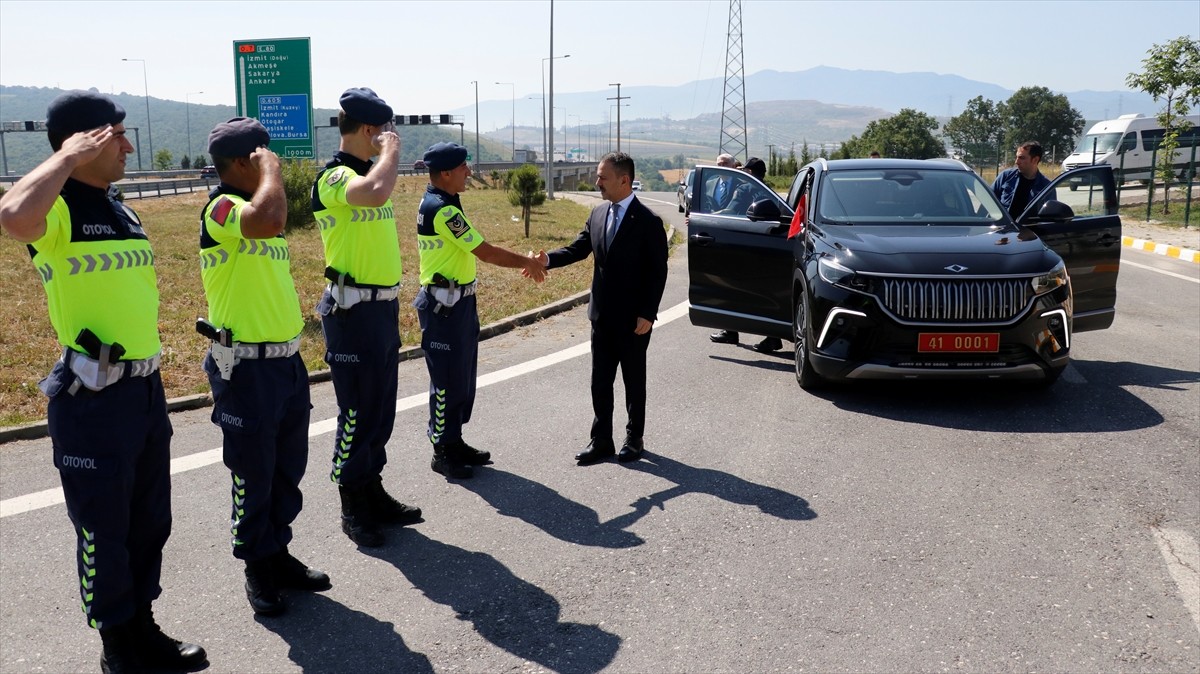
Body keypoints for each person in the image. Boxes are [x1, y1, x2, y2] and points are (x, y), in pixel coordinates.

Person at [0, 91, 206, 673]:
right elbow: (13, 217)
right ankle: (119, 645)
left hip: (145, 388)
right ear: (85, 140)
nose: (129, 145)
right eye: (117, 134)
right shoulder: (59, 208)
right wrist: (64, 157)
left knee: (148, 521)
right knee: (103, 527)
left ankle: (142, 626)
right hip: (94, 396)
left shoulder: (122, 208)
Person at [199, 118, 330, 617]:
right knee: (253, 472)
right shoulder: (223, 207)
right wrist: (272, 169)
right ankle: (258, 566)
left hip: (284, 363)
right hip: (246, 369)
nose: (270, 160)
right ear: (241, 163)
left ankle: (278, 553)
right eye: (262, 154)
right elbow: (270, 221)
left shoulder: (256, 206)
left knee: (286, 469)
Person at [311, 87, 421, 548]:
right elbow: (375, 191)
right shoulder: (334, 177)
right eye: (384, 131)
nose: (388, 138)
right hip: (351, 311)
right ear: (372, 130)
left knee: (380, 409)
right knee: (356, 411)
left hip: (381, 308)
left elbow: (377, 186)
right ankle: (352, 503)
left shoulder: (370, 171)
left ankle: (372, 488)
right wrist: (392, 151)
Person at [413, 142, 547, 480]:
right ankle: (442, 450)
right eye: (463, 167)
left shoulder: (445, 202)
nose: (469, 172)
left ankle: (454, 440)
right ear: (445, 173)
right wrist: (527, 262)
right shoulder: (442, 210)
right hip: (444, 306)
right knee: (446, 381)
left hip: (458, 302)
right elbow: (485, 252)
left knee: (461, 377)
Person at [532, 152, 669, 465]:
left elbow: (657, 272)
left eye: (602, 177)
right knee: (600, 381)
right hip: (602, 316)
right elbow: (579, 248)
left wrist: (648, 313)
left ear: (624, 180)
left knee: (634, 382)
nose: (597, 183)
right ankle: (601, 440)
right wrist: (547, 260)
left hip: (634, 320)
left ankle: (634, 438)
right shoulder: (597, 214)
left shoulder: (648, 222)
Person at [710, 157, 783, 353]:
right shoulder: (768, 189)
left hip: (741, 243)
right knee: (766, 291)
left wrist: (705, 219)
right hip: (767, 245)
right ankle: (773, 335)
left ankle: (731, 331)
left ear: (749, 172)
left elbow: (730, 211)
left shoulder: (744, 188)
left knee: (732, 287)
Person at [992, 141, 1056, 218]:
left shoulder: (1046, 187)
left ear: (1035, 160)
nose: (1016, 162)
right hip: (1004, 227)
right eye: (1016, 157)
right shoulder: (1006, 176)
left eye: (1021, 158)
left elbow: (1049, 218)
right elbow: (988, 200)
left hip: (1030, 229)